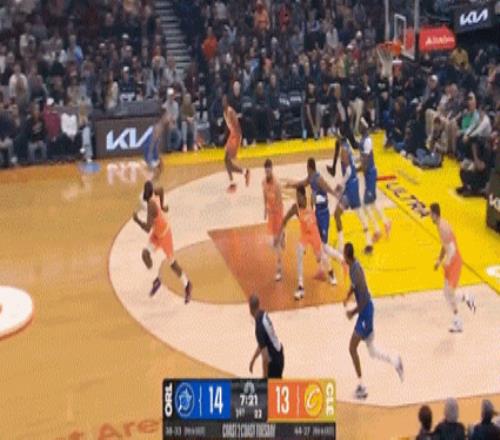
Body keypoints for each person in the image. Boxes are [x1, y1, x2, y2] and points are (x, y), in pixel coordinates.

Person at [343, 242, 404, 400]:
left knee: (352, 348)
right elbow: (354, 286)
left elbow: (363, 300)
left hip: (366, 313)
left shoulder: (356, 271)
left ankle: (362, 386)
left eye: (343, 254)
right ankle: (395, 360)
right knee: (372, 351)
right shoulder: (353, 267)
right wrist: (347, 296)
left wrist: (352, 312)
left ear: (347, 256)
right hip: (366, 312)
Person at [132, 181, 192, 303]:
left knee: (172, 264)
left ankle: (187, 284)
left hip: (164, 235)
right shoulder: (155, 193)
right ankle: (156, 280)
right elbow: (161, 190)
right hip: (157, 233)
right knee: (145, 254)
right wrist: (163, 206)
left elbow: (147, 228)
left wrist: (137, 220)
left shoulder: (151, 206)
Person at [276, 185, 339, 300]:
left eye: (299, 196)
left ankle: (331, 272)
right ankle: (300, 286)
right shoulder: (295, 208)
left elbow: (323, 202)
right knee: (299, 253)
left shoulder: (311, 200)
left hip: (314, 233)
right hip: (305, 235)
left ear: (303, 196)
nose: (297, 199)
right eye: (296, 196)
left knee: (322, 257)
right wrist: (281, 235)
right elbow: (284, 220)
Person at [430, 203, 475, 333]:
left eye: (430, 214)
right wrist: (439, 260)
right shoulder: (440, 225)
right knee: (446, 293)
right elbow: (444, 246)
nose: (429, 217)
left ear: (435, 214)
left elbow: (451, 248)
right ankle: (466, 297)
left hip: (454, 261)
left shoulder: (443, 228)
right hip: (450, 260)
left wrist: (446, 262)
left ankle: (458, 321)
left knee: (449, 292)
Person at [334, 138, 374, 254]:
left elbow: (348, 171)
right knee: (359, 212)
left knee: (337, 214)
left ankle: (341, 246)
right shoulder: (348, 148)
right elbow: (354, 160)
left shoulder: (343, 150)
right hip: (354, 184)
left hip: (350, 187)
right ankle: (369, 242)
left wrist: (341, 185)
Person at [358, 120, 392, 242]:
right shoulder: (363, 139)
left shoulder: (367, 141)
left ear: (364, 127)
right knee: (372, 201)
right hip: (368, 174)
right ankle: (386, 222)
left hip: (370, 174)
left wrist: (357, 169)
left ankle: (377, 230)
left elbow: (366, 161)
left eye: (360, 126)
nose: (358, 127)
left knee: (366, 204)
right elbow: (362, 157)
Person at [248, 294, 284, 378]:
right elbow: (263, 343)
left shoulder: (259, 327)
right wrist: (253, 359)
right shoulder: (263, 314)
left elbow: (265, 357)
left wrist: (264, 376)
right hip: (279, 354)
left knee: (270, 385)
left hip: (274, 361)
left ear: (250, 309)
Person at [262, 159, 285, 281]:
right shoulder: (263, 182)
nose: (267, 173)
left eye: (269, 170)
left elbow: (279, 202)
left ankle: (279, 269)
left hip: (277, 214)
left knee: (276, 244)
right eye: (266, 171)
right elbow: (265, 196)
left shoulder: (277, 184)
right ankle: (282, 234)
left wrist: (273, 212)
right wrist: (265, 209)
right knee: (275, 241)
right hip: (271, 214)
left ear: (272, 169)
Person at [223, 94, 250, 192]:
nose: (223, 102)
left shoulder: (231, 111)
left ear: (227, 102)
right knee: (226, 161)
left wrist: (240, 139)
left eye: (224, 100)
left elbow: (237, 126)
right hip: (232, 135)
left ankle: (234, 181)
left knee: (227, 160)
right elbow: (229, 127)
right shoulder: (224, 112)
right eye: (222, 100)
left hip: (236, 136)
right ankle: (243, 174)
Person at [144, 110, 166, 180]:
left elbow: (156, 143)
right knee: (155, 170)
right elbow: (152, 143)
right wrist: (150, 158)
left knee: (161, 167)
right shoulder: (158, 127)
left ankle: (153, 181)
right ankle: (150, 182)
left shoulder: (161, 126)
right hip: (149, 151)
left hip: (152, 151)